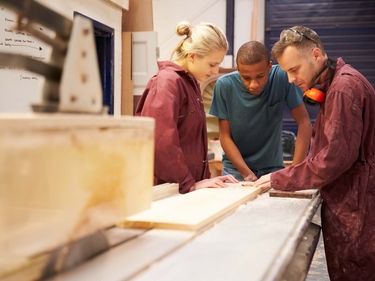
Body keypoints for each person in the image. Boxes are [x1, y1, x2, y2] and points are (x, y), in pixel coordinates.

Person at [253, 26, 375, 281]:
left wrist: (281, 178)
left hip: (358, 205)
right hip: (352, 200)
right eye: (286, 72)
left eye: (294, 70)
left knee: (356, 271)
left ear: (316, 55)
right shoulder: (335, 85)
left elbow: (333, 159)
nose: (290, 79)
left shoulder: (343, 89)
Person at [135, 21, 238, 194]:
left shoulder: (190, 83)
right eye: (212, 64)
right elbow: (160, 141)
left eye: (218, 64)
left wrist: (204, 180)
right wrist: (188, 183)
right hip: (166, 190)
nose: (215, 71)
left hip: (182, 188)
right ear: (192, 56)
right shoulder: (167, 82)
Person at [209, 41, 312, 181]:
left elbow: (304, 123)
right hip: (236, 170)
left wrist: (294, 172)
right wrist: (247, 174)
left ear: (269, 66)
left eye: (260, 76)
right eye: (246, 78)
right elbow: (225, 136)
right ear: (238, 69)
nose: (253, 85)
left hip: (272, 169)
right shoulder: (224, 86)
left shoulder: (282, 77)